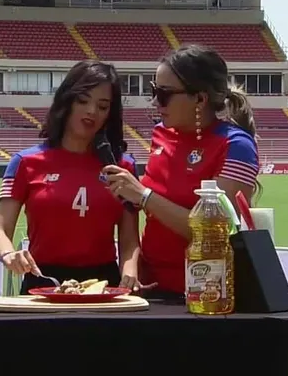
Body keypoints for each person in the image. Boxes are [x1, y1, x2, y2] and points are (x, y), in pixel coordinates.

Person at [102, 45, 261, 299]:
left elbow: (218, 232)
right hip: (150, 288)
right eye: (154, 91)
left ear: (200, 99)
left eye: (164, 94)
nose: (155, 101)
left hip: (206, 293)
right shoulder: (160, 135)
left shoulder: (236, 145)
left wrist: (143, 195)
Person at [0, 60, 143, 293]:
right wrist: (9, 254)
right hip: (42, 282)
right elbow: (0, 230)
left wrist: (130, 273)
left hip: (104, 285)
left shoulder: (123, 167)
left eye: (102, 106)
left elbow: (129, 239)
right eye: (83, 100)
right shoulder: (25, 163)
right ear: (67, 101)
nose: (91, 111)